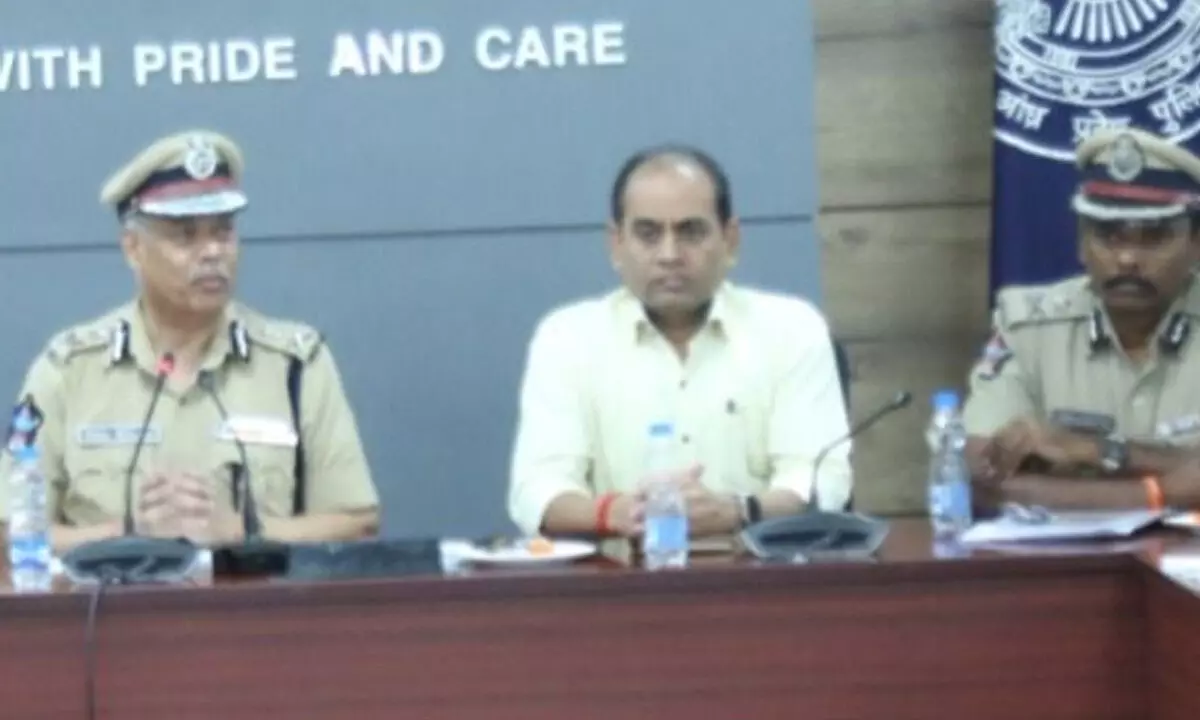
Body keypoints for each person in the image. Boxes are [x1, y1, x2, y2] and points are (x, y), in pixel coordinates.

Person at [0, 129, 380, 553]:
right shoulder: (69, 368)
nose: (212, 252)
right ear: (133, 249)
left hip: (259, 618)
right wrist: (126, 534)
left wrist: (240, 531)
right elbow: (8, 534)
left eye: (223, 232)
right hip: (109, 616)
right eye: (185, 236)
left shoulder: (295, 364)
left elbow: (355, 523)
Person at [506, 145, 851, 544]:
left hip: (760, 588)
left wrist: (736, 511)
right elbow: (537, 492)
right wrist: (617, 513)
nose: (670, 255)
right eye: (648, 234)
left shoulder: (791, 329)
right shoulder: (568, 338)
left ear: (730, 240)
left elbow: (822, 480)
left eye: (691, 232)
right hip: (621, 591)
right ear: (616, 245)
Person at [963, 127, 1200, 512]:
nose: (1126, 259)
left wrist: (1099, 451)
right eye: (1108, 235)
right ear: (1080, 242)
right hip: (1064, 569)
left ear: (1196, 244)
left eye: (1153, 237)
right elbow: (981, 478)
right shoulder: (1028, 327)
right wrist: (1167, 492)